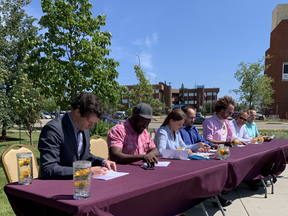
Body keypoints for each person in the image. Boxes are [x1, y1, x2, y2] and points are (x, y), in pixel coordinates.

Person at [38, 92, 116, 180]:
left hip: (79, 185)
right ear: (78, 112)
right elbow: (48, 169)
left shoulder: (83, 127)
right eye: (90, 122)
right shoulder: (53, 130)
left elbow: (85, 156)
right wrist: (85, 171)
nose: (91, 127)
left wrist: (103, 161)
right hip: (55, 186)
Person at [202, 96, 236, 207]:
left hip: (223, 150)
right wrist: (224, 143)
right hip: (213, 153)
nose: (230, 114)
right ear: (222, 109)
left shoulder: (226, 122)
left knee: (224, 173)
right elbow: (208, 139)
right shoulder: (210, 122)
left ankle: (221, 192)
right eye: (229, 112)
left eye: (232, 112)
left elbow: (228, 137)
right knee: (215, 176)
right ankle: (216, 198)